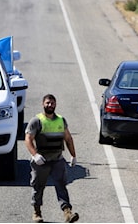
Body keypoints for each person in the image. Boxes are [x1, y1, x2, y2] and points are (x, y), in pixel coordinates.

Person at [24, 94, 79, 223]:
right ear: (43, 104)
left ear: (56, 105)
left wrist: (73, 155)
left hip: (57, 159)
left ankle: (67, 212)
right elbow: (28, 139)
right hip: (41, 161)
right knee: (38, 186)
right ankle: (37, 212)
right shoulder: (36, 121)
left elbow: (68, 139)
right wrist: (35, 155)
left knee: (61, 185)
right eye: (47, 103)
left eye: (52, 103)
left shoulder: (61, 120)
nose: (50, 105)